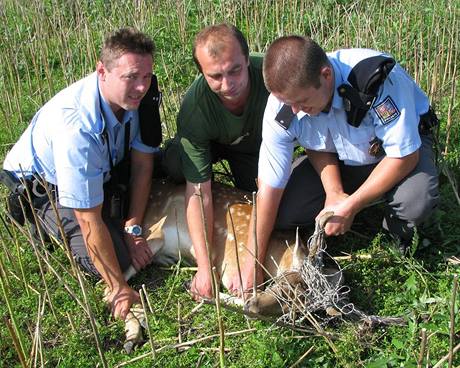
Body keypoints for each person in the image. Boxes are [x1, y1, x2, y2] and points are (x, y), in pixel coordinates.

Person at [237, 36, 440, 294]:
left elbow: (404, 155)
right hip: (340, 157)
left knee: (414, 203)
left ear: (326, 75)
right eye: (290, 104)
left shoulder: (373, 80)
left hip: (396, 152)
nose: (296, 110)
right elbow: (271, 184)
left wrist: (352, 205)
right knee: (285, 212)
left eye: (303, 102)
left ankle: (394, 235)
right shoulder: (286, 101)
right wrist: (252, 262)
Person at [2, 28, 161, 320]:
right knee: (118, 259)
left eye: (147, 76)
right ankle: (43, 221)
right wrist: (119, 287)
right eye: (131, 77)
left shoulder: (143, 95)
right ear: (102, 71)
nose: (141, 87)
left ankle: (115, 216)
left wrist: (133, 227)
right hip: (45, 184)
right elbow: (88, 218)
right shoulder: (76, 128)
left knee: (165, 167)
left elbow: (142, 165)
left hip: (106, 163)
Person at [162, 23, 269, 300]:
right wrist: (205, 266)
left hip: (252, 148)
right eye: (216, 76)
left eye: (235, 70)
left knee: (256, 192)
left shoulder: (272, 78)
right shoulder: (195, 108)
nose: (228, 84)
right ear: (202, 74)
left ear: (247, 59)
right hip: (211, 143)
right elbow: (199, 193)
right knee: (175, 165)